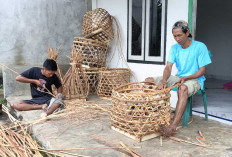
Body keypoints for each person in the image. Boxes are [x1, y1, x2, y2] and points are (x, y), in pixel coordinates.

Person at [145, 20, 212, 136]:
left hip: (195, 79)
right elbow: (168, 67)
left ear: (187, 33)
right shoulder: (174, 48)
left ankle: (173, 127)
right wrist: (164, 80)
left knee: (183, 88)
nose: (177, 39)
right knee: (149, 81)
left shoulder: (200, 47)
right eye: (175, 36)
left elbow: (202, 71)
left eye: (179, 35)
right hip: (179, 77)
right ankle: (149, 116)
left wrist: (186, 78)